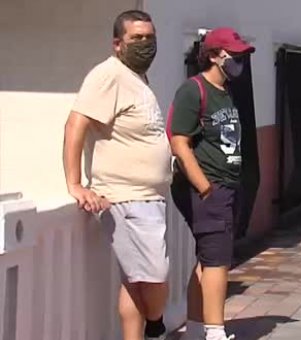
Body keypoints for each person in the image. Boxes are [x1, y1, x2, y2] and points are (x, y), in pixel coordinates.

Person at [63, 10, 169, 340]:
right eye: (136, 38)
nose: (145, 44)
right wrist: (75, 182)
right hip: (127, 199)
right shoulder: (108, 74)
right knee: (155, 277)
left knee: (136, 280)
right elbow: (75, 124)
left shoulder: (136, 78)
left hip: (148, 199)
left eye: (150, 38)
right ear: (117, 44)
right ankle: (156, 325)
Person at [168, 27, 255, 340]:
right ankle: (216, 332)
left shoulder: (225, 91)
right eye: (236, 54)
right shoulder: (193, 90)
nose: (241, 60)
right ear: (216, 56)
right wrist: (205, 187)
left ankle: (194, 328)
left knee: (208, 259)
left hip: (226, 184)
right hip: (210, 187)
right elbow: (179, 142)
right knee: (218, 261)